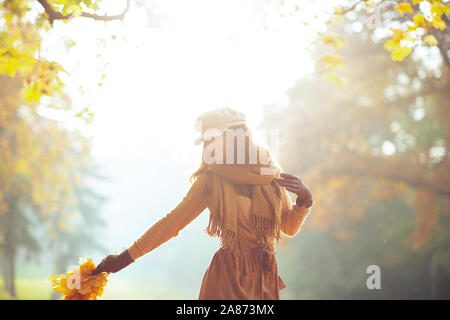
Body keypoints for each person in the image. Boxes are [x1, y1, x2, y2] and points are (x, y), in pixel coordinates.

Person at [92, 107, 313, 299]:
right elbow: (172, 223)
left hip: (264, 280)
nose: (207, 146)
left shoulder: (270, 172)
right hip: (228, 280)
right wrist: (124, 258)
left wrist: (303, 201)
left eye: (212, 139)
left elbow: (288, 227)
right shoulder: (210, 179)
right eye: (205, 141)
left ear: (235, 136)